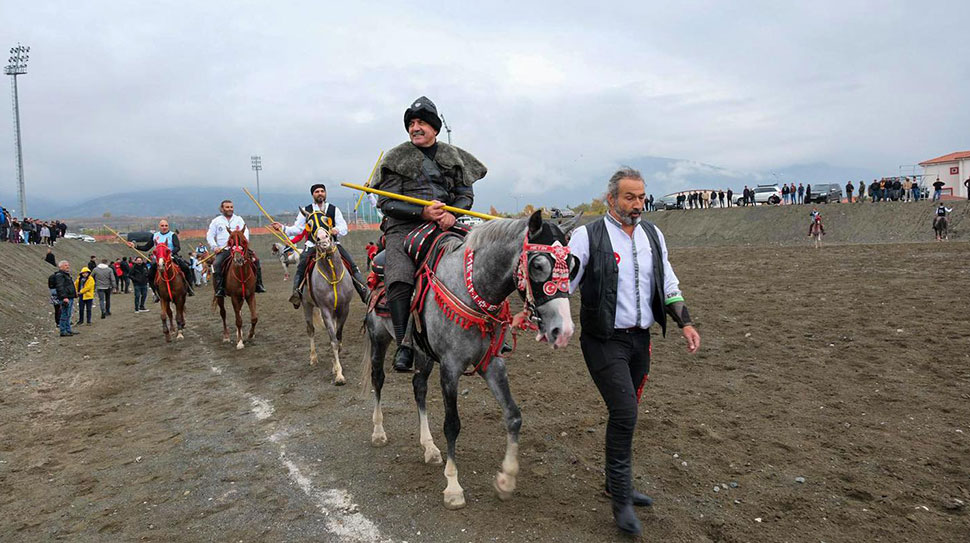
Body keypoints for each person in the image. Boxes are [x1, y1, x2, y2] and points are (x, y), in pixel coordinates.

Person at [568, 168, 700, 536]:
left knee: (628, 410)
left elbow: (668, 281)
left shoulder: (653, 235)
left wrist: (685, 322)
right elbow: (565, 283)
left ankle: (615, 482)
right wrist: (537, 315)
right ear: (610, 199)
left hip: (641, 341)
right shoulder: (587, 236)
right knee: (625, 412)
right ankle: (621, 500)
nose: (637, 204)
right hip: (603, 339)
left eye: (641, 197)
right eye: (630, 197)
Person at [371, 96, 486, 372]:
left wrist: (451, 214)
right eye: (411, 123)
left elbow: (464, 194)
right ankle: (404, 344)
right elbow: (386, 202)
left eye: (421, 122)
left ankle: (488, 329)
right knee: (399, 273)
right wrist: (422, 213)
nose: (415, 128)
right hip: (404, 227)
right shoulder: (397, 158)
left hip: (445, 224)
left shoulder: (452, 157)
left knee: (480, 259)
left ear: (434, 128)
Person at [273, 183, 369, 307]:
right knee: (301, 265)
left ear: (325, 193)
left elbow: (343, 226)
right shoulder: (306, 210)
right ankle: (296, 292)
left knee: (351, 264)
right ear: (312, 194)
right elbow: (297, 229)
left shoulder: (333, 209)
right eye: (317, 191)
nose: (320, 193)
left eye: (322, 191)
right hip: (312, 245)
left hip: (332, 243)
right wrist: (282, 227)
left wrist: (337, 230)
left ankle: (364, 292)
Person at [207, 199, 266, 297]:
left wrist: (243, 244)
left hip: (240, 249)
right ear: (222, 209)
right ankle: (220, 288)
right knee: (217, 264)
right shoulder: (216, 221)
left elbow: (245, 232)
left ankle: (258, 284)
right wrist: (214, 247)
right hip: (224, 250)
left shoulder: (239, 219)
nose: (230, 209)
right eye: (227, 207)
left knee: (256, 260)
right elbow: (209, 235)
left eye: (231, 207)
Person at [128, 219, 195, 300]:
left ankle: (189, 288)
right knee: (149, 275)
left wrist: (170, 253)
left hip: (171, 257)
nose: (164, 227)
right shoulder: (154, 235)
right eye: (162, 226)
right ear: (159, 226)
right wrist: (135, 246)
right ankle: (155, 293)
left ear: (168, 226)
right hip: (158, 259)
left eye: (166, 225)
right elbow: (146, 247)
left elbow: (177, 247)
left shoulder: (172, 235)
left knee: (186, 268)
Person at [52, 260, 79, 337]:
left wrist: (74, 293)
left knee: (68, 314)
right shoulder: (60, 275)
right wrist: (64, 297)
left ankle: (68, 330)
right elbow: (60, 287)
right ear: (60, 267)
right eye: (65, 265)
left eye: (68, 265)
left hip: (70, 297)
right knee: (64, 314)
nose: (68, 266)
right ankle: (63, 331)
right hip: (66, 298)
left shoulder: (66, 275)